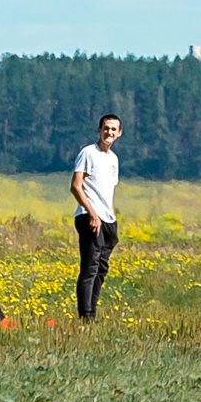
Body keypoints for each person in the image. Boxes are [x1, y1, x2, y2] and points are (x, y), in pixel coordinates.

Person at [69, 114, 124, 320]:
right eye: (106, 128)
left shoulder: (113, 159)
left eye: (113, 129)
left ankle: (93, 310)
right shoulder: (88, 153)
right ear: (99, 130)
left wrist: (112, 218)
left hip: (108, 219)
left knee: (101, 268)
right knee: (90, 267)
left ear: (119, 133)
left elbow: (108, 191)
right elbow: (76, 186)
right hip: (89, 217)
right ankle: (86, 316)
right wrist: (92, 213)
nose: (109, 132)